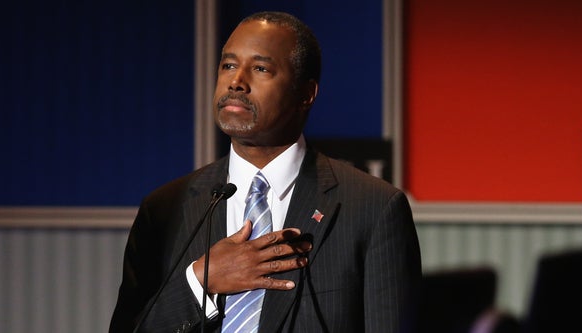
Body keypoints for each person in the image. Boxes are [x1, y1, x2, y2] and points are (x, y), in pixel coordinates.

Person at [109, 11, 422, 333]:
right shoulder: (164, 209)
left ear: (306, 93)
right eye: (228, 65)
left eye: (260, 69)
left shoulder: (371, 207)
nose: (236, 82)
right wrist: (200, 283)